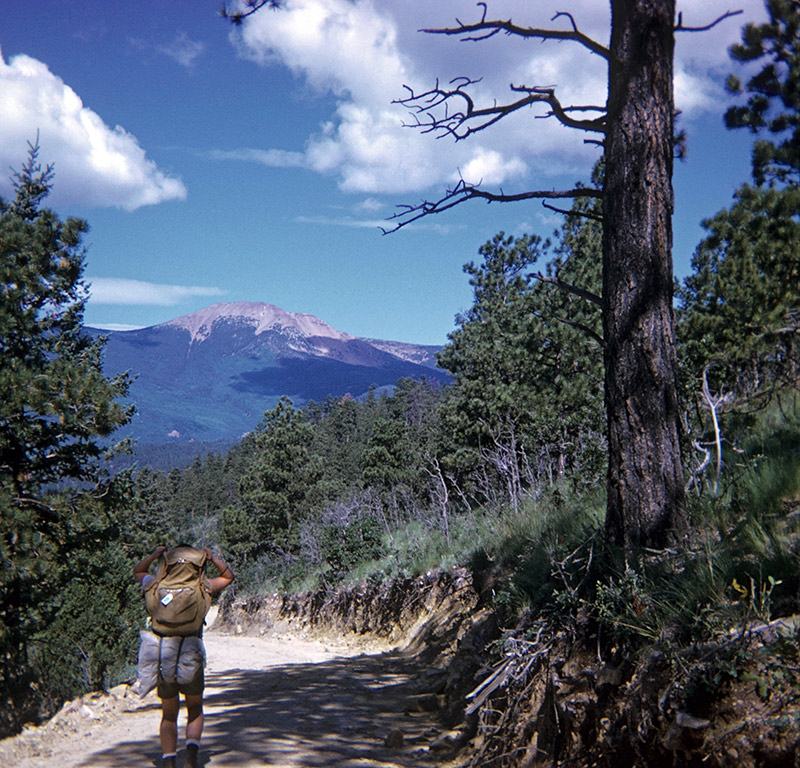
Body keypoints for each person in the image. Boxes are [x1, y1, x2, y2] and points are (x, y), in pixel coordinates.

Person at [134, 545, 234, 768]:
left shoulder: (154, 585)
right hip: (191, 651)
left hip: (163, 653)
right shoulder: (203, 587)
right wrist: (213, 557)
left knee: (169, 715)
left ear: (166, 565)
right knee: (195, 709)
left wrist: (153, 555)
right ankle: (190, 759)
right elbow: (228, 577)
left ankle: (169, 763)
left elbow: (138, 572)